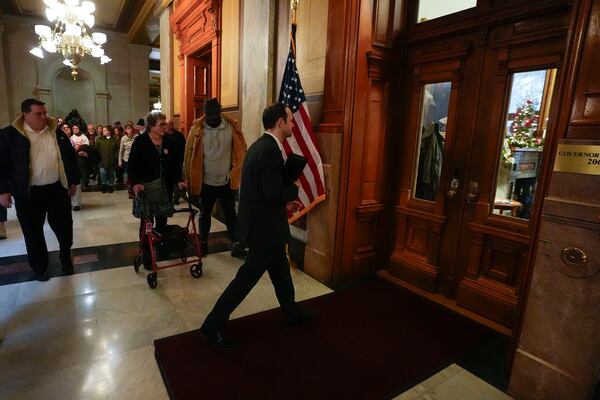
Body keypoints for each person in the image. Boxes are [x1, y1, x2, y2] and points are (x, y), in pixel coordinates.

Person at [199, 103, 315, 349]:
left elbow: (262, 192)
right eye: (290, 120)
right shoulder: (270, 150)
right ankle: (212, 324)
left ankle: (292, 313)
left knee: (281, 274)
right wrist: (293, 190)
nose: (293, 124)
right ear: (279, 123)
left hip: (266, 225)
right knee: (245, 280)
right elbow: (273, 192)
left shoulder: (261, 146)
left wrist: (282, 206)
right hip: (264, 232)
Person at [0, 98, 79, 281]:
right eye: (38, 114)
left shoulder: (55, 132)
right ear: (25, 115)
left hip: (57, 190)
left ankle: (65, 257)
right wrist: (3, 190)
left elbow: (70, 158)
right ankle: (39, 267)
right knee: (32, 232)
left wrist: (73, 181)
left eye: (44, 113)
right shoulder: (10, 135)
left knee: (64, 228)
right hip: (28, 193)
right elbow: (1, 164)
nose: (43, 116)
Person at [184, 98, 247, 258]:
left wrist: (237, 173)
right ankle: (203, 243)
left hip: (226, 181)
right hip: (206, 182)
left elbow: (241, 152)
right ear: (204, 113)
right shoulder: (197, 130)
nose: (211, 117)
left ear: (220, 112)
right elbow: (188, 158)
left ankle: (237, 244)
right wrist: (190, 182)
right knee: (204, 214)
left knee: (231, 214)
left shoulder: (231, 128)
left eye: (214, 114)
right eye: (208, 114)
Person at [128, 112, 186, 269]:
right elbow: (132, 165)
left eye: (165, 124)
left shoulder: (169, 142)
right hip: (146, 187)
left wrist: (179, 180)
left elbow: (175, 164)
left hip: (164, 187)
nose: (165, 127)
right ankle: (146, 252)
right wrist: (135, 183)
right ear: (151, 126)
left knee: (162, 219)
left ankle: (161, 247)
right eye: (161, 124)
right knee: (147, 221)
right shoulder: (141, 142)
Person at [69, 124, 89, 211]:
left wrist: (81, 148)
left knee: (81, 174)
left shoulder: (84, 137)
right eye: (73, 128)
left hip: (81, 158)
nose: (75, 129)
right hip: (71, 160)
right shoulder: (70, 138)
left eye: (77, 128)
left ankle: (84, 185)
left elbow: (87, 147)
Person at [166, 120, 186, 204]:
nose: (166, 127)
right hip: (167, 161)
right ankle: (169, 197)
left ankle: (176, 197)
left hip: (178, 160)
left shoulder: (179, 135)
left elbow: (184, 147)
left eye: (167, 125)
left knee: (177, 178)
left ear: (171, 125)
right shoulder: (164, 135)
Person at [95, 124, 119, 193]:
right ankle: (104, 186)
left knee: (111, 174)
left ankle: (111, 186)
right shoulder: (99, 139)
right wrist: (98, 158)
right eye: (103, 130)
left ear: (109, 131)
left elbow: (117, 149)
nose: (103, 131)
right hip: (102, 160)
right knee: (103, 174)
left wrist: (115, 157)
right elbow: (96, 150)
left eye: (105, 130)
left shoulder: (115, 140)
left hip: (111, 160)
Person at [118, 123, 137, 199]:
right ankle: (130, 192)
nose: (130, 130)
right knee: (129, 176)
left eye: (131, 128)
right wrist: (120, 161)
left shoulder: (137, 137)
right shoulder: (123, 138)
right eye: (128, 129)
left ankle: (136, 190)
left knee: (136, 176)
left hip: (136, 160)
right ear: (126, 130)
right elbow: (121, 150)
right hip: (127, 160)